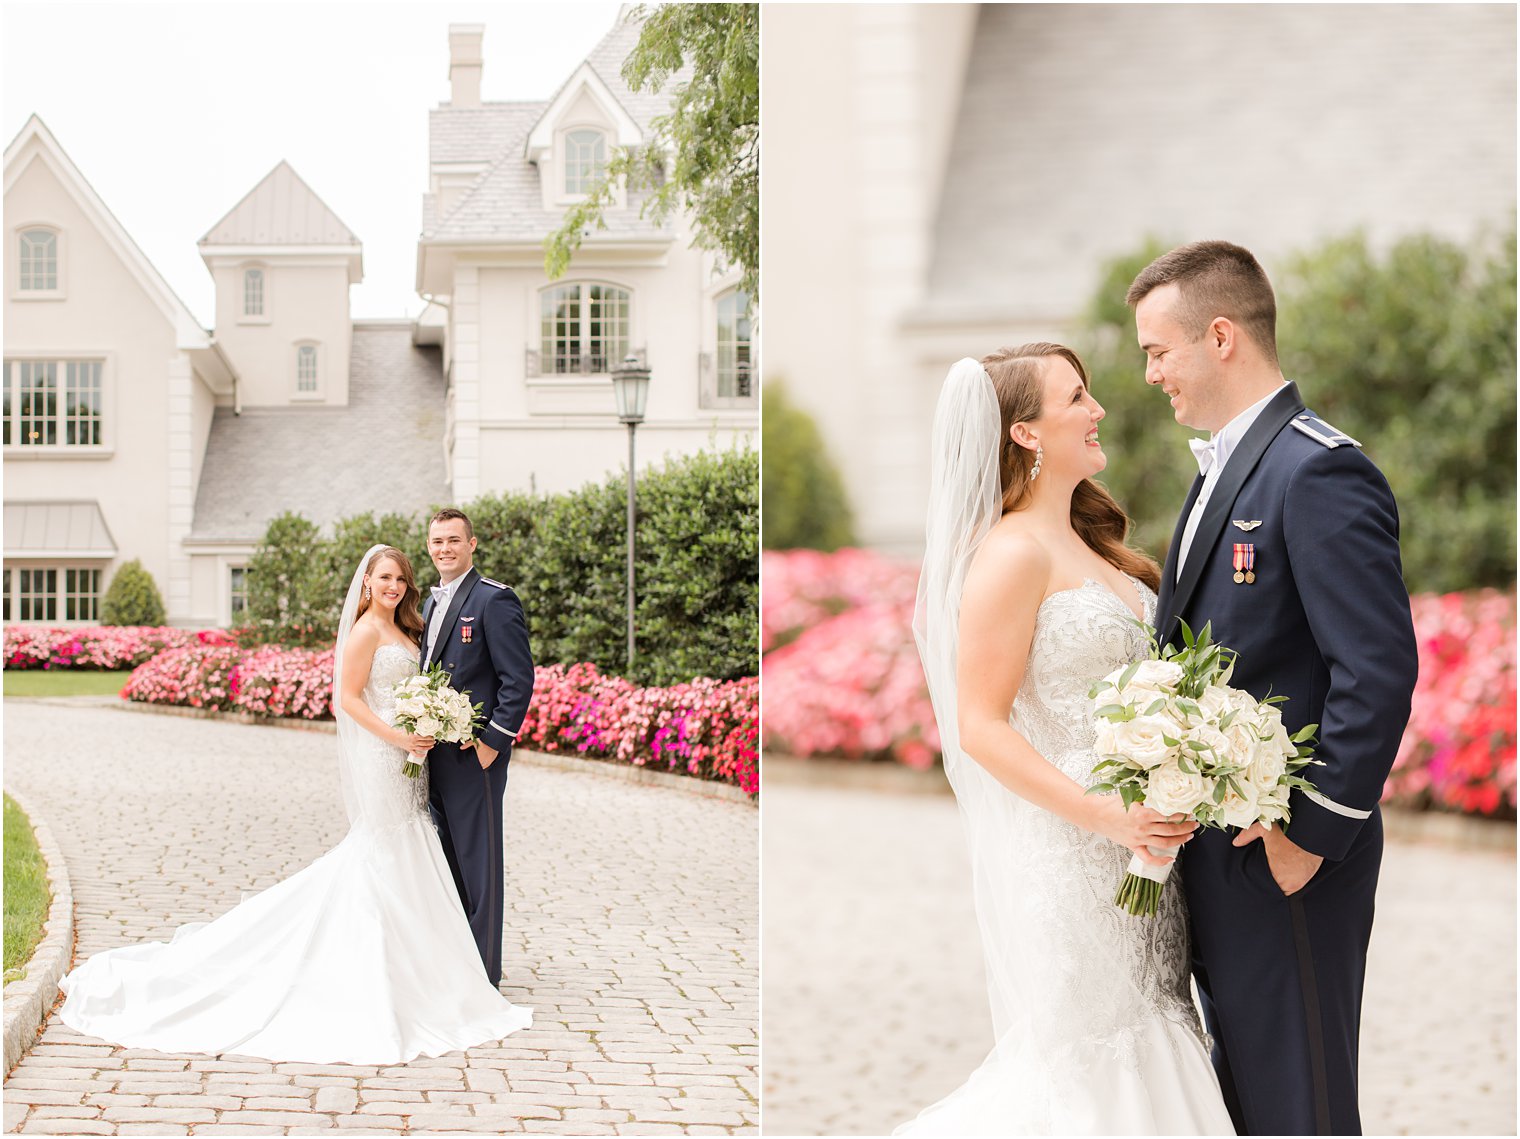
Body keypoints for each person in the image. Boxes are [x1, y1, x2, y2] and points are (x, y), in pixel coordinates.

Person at [902, 344, 1234, 1135]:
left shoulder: (1099, 549)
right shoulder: (1011, 553)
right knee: (1096, 1061)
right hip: (1077, 859)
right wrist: (1108, 815)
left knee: (1157, 1031)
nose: (1098, 411)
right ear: (1025, 434)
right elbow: (980, 725)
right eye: (1076, 398)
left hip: (1143, 851)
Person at [1130, 240, 1418, 1136]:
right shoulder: (1229, 464)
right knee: (1253, 1099)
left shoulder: (1317, 469)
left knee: (1303, 1106)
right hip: (1226, 857)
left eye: (1158, 350)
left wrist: (1310, 837)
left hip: (1286, 860)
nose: (1150, 375)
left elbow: (1377, 668)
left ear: (1220, 336)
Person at [55, 545, 531, 1065]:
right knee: (383, 851)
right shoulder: (365, 632)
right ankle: (380, 971)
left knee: (413, 844)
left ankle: (422, 965)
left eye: (401, 578)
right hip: (385, 755)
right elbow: (347, 701)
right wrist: (398, 737)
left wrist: (428, 725)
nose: (394, 585)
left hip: (412, 761)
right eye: (385, 577)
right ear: (367, 582)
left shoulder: (410, 630)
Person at [420, 508, 535, 987]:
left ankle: (484, 972)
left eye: (453, 540)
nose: (444, 549)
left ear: (472, 545)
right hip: (433, 755)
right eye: (436, 542)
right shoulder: (428, 604)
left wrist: (492, 744)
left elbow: (518, 679)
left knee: (478, 862)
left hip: (474, 757)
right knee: (446, 861)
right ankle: (455, 958)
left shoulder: (493, 601)